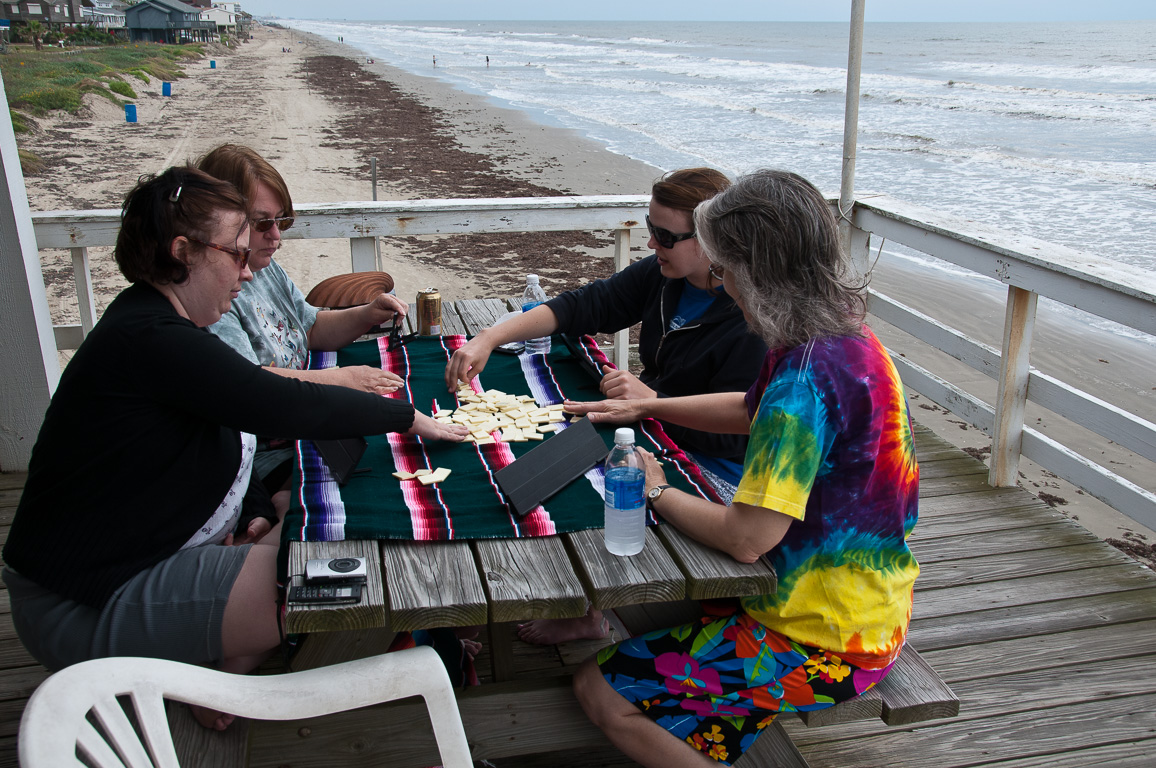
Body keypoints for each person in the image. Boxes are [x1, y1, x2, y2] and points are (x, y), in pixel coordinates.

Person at [1, 167, 467, 730]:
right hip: (83, 604)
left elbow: (211, 451)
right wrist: (409, 418)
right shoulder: (153, 340)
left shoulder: (158, 324)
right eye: (236, 255)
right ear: (182, 252)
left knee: (328, 532)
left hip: (145, 560)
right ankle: (235, 679)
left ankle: (222, 663)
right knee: (357, 573)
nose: (247, 274)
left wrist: (246, 512)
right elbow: (281, 404)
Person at [565, 169, 921, 766]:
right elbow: (750, 410)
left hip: (821, 638)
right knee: (655, 605)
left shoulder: (802, 379)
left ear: (756, 273)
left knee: (597, 690)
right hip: (870, 601)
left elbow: (746, 539)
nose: (721, 285)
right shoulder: (842, 336)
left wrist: (655, 490)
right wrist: (648, 403)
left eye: (724, 271)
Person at [446, 167, 767, 644]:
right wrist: (489, 337)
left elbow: (742, 430)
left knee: (585, 486)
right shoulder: (666, 277)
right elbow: (581, 306)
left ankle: (588, 604)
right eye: (648, 227)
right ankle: (572, 598)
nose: (651, 244)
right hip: (653, 425)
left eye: (663, 235)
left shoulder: (751, 318)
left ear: (711, 242)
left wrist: (655, 403)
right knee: (543, 457)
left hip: (713, 465)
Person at [197, 144, 407, 514]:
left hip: (303, 420)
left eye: (282, 221)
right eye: (262, 223)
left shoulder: (265, 267)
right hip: (267, 452)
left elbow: (308, 327)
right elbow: (247, 384)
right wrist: (341, 380)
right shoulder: (212, 292)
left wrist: (367, 313)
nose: (276, 236)